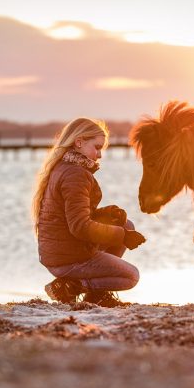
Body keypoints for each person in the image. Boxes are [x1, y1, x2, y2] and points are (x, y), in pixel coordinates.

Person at [32, 117, 146, 306]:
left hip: (60, 252)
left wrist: (107, 214)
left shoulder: (63, 168)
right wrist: (123, 236)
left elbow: (72, 216)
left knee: (126, 224)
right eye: (97, 147)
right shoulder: (76, 175)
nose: (100, 154)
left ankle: (94, 295)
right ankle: (71, 286)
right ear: (79, 142)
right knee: (131, 276)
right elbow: (79, 227)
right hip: (68, 258)